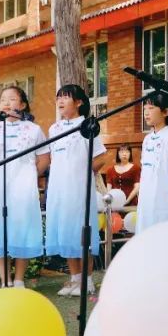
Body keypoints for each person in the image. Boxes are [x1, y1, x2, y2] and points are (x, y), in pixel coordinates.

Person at [0, 85, 49, 287]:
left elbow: (44, 157)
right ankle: (4, 279)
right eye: (2, 99)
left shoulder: (33, 130)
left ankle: (18, 280)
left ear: (23, 104)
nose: (6, 103)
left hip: (23, 187)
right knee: (0, 229)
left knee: (21, 228)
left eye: (12, 99)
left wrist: (31, 174)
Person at [45, 84, 110, 297]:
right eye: (59, 98)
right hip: (58, 188)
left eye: (66, 97)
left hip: (79, 190)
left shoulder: (87, 125)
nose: (61, 101)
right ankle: (74, 279)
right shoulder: (54, 129)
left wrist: (81, 173)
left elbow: (100, 156)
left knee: (81, 232)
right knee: (65, 232)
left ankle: (88, 280)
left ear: (79, 102)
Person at [135, 91, 168, 236]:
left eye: (151, 108)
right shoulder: (147, 138)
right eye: (145, 109)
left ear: (165, 112)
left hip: (162, 199)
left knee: (161, 236)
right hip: (145, 198)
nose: (146, 113)